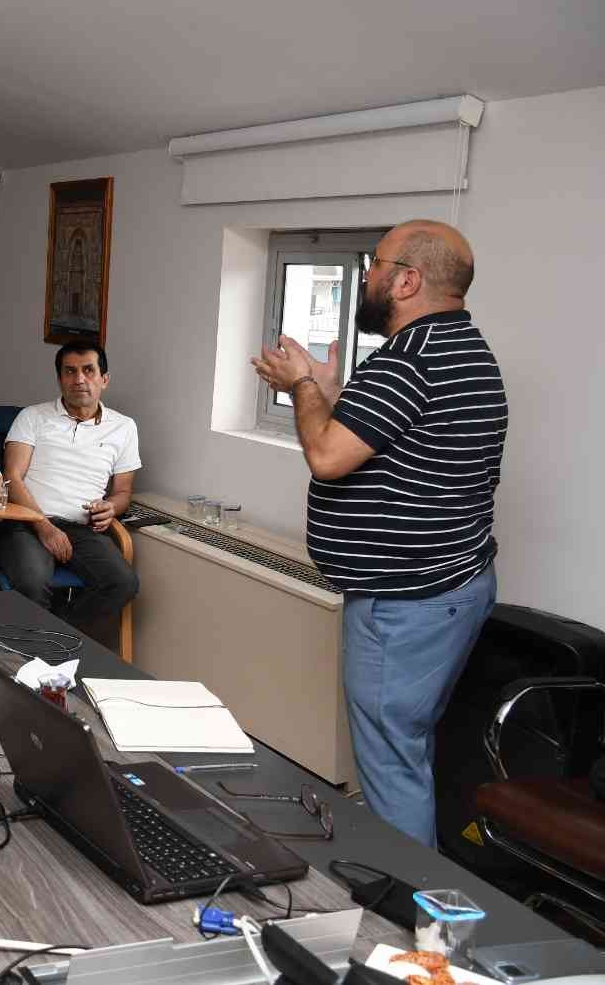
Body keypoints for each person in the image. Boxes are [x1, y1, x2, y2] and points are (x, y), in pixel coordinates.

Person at [251, 219, 505, 848]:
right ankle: (415, 881)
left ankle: (406, 899)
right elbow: (386, 442)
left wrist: (303, 386)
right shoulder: (467, 349)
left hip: (407, 603)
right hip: (452, 586)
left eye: (377, 264)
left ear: (408, 280)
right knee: (406, 750)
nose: (366, 275)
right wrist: (331, 394)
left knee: (392, 765)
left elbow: (327, 456)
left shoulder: (407, 361)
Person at [0, 341, 140, 641]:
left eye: (88, 371)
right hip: (27, 522)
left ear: (104, 379)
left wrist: (111, 508)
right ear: (60, 379)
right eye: (70, 372)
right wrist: (44, 527)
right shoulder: (33, 417)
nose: (79, 379)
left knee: (123, 583)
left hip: (82, 528)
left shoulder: (124, 427)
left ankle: (55, 641)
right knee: (33, 583)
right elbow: (12, 478)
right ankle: (45, 648)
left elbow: (123, 492)